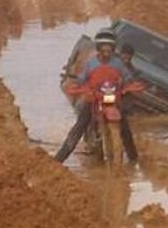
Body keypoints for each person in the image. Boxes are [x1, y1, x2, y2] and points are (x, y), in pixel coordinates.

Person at [54, 28, 138, 163]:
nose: (106, 52)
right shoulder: (91, 63)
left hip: (111, 98)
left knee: (125, 128)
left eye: (109, 48)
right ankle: (58, 160)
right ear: (99, 48)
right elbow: (81, 79)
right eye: (104, 49)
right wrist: (78, 86)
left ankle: (134, 159)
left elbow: (128, 77)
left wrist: (129, 85)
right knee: (80, 126)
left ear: (113, 48)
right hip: (95, 97)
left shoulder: (118, 63)